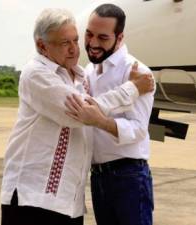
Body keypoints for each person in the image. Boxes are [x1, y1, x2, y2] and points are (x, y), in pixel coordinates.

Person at [0, 8, 154, 225]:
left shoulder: (85, 77)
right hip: (34, 198)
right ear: (41, 46)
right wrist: (131, 89)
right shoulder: (37, 74)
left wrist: (101, 115)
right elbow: (78, 113)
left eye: (75, 40)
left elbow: (136, 128)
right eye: (65, 43)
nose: (75, 49)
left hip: (74, 200)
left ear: (119, 37)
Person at [66, 3, 155, 225]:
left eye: (103, 38)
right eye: (89, 34)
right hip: (98, 177)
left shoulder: (137, 72)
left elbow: (138, 130)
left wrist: (101, 121)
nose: (93, 44)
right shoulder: (89, 72)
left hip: (129, 177)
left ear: (120, 37)